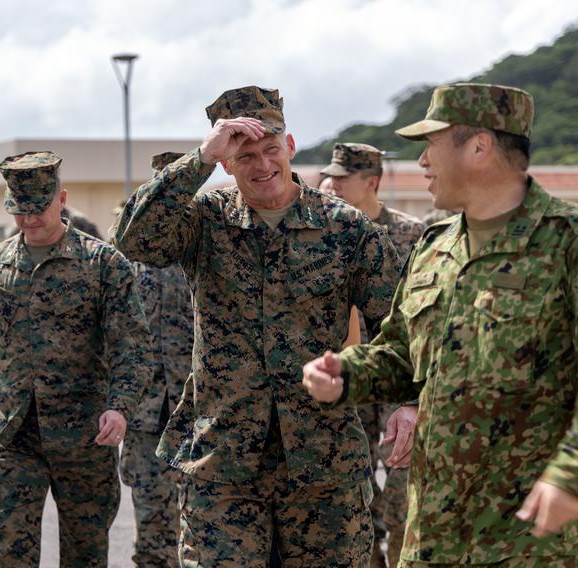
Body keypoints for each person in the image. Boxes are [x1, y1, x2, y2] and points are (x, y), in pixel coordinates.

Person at [111, 85, 401, 567]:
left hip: (322, 460)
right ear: (226, 162)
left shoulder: (347, 229)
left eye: (271, 149)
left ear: (289, 147)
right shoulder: (204, 221)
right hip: (223, 464)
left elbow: (395, 326)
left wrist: (403, 402)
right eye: (244, 154)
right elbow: (134, 238)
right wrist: (199, 158)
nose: (262, 164)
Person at [302, 83, 578, 567]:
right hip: (433, 534)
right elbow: (402, 353)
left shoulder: (565, 243)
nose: (422, 162)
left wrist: (569, 477)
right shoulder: (435, 246)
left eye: (431, 144)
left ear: (479, 146)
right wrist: (345, 374)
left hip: (530, 537)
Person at [0, 151, 152, 567]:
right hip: (12, 433)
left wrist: (120, 408)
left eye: (39, 210)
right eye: (20, 211)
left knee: (85, 554)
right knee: (5, 552)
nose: (29, 220)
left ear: (61, 198)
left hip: (85, 434)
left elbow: (133, 346)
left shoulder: (104, 265)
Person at [322, 142, 426, 568]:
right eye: (331, 177)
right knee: (351, 494)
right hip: (346, 380)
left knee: (403, 488)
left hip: (397, 377)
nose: (334, 184)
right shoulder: (322, 232)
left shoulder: (412, 234)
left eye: (344, 178)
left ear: (372, 181)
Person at [118, 151, 194, 567]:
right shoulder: (128, 257)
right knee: (150, 522)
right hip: (145, 414)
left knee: (207, 521)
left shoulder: (209, 245)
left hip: (199, 410)